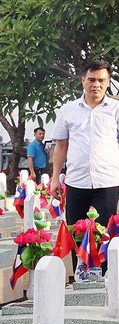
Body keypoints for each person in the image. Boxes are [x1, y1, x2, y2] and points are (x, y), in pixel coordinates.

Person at [50, 59, 119, 229]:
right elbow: (61, 146)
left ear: (108, 82)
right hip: (76, 183)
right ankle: (78, 258)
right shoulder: (68, 109)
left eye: (101, 80)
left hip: (107, 183)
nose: (96, 84)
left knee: (104, 238)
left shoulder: (116, 109)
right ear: (83, 81)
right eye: (91, 79)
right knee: (76, 234)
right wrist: (55, 178)